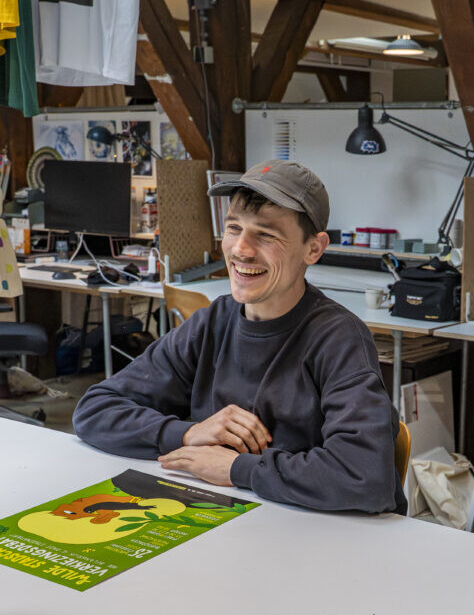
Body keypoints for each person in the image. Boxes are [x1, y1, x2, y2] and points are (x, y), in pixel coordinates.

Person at [73, 160, 406, 514]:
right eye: (233, 228)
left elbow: (363, 477)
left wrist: (234, 469)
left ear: (313, 248)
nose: (240, 249)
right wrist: (188, 434)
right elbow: (94, 411)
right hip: (229, 521)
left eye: (266, 234)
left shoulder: (338, 340)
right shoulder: (210, 323)